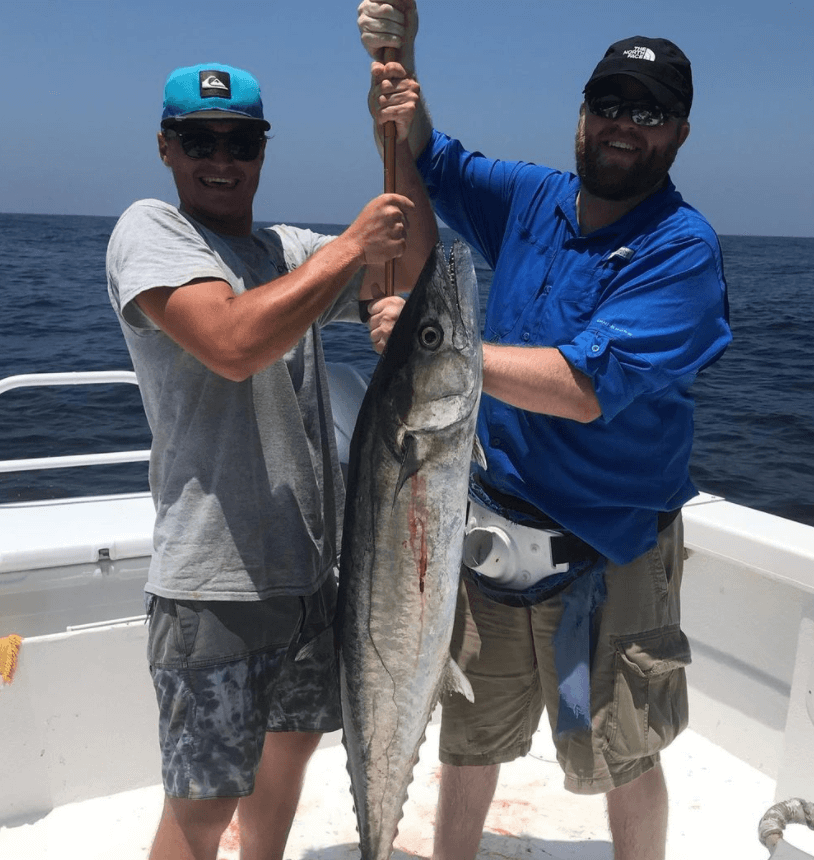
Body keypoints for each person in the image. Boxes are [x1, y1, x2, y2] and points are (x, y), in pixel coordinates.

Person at [357, 4, 732, 859]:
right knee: (467, 742)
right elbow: (426, 157)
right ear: (581, 112)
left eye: (647, 112)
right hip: (490, 535)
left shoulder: (683, 250)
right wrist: (397, 59)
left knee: (623, 756)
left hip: (610, 555)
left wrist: (443, 354)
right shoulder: (532, 199)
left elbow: (585, 387)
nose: (622, 126)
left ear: (677, 132)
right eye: (609, 102)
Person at [106, 62, 434, 860]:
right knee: (203, 801)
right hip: (213, 584)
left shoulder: (288, 249)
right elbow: (230, 342)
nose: (221, 157)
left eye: (241, 140)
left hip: (310, 578)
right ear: (165, 147)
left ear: (262, 149)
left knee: (285, 758)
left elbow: (410, 257)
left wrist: (400, 136)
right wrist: (354, 246)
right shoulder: (151, 231)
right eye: (199, 139)